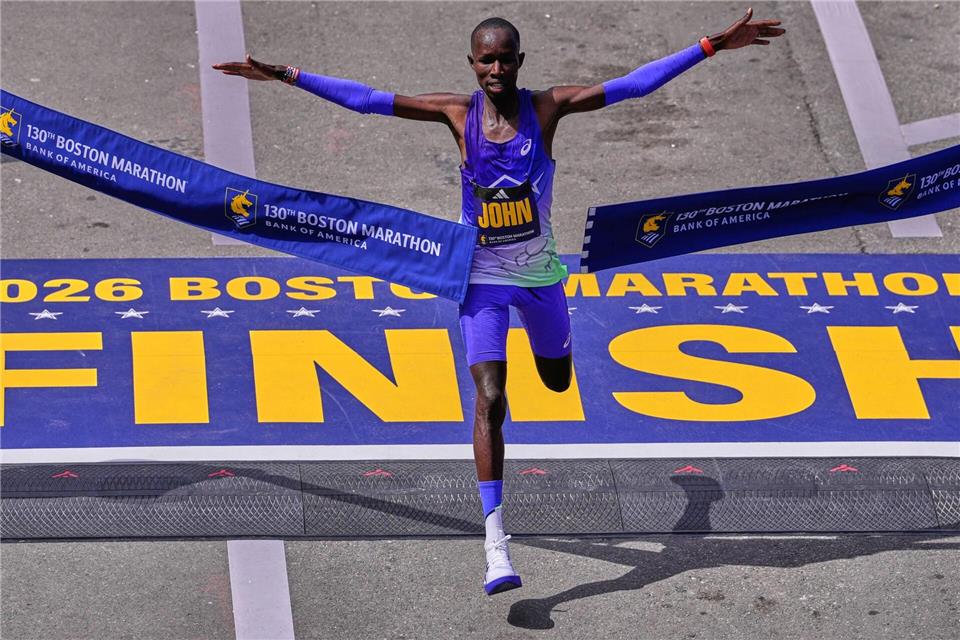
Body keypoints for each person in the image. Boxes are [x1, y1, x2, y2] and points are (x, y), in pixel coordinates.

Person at [213, 8, 784, 595]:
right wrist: (284, 73)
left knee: (558, 381)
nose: (494, 68)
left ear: (519, 61)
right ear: (471, 63)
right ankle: (495, 545)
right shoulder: (456, 115)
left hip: (540, 280)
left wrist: (712, 45)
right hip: (480, 281)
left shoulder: (546, 110)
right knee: (490, 396)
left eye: (504, 58)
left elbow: (636, 84)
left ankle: (550, 363)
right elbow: (365, 99)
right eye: (485, 59)